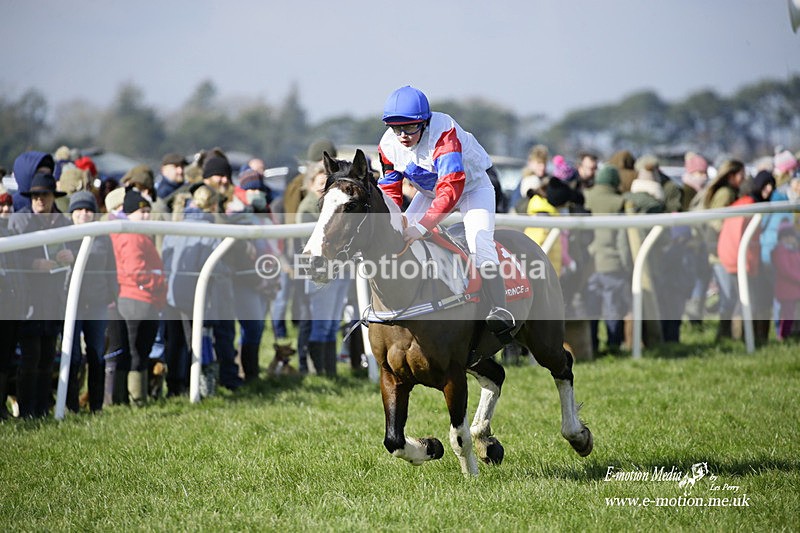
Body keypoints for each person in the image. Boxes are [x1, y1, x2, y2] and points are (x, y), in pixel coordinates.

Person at [377, 85, 515, 339]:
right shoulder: (387, 146)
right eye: (397, 128)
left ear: (425, 123)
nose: (403, 135)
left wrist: (420, 227)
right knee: (401, 237)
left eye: (410, 127)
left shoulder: (444, 133)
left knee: (480, 243)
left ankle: (500, 312)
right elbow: (390, 193)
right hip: (430, 193)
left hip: (472, 189)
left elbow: (452, 188)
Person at [9, 172, 74, 417]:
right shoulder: (20, 220)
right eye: (35, 195)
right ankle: (26, 410)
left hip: (54, 299)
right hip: (28, 299)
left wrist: (72, 256)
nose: (39, 200)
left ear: (52, 197)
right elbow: (12, 255)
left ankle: (43, 408)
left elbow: (76, 248)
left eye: (44, 195)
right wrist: (33, 264)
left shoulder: (63, 222)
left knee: (48, 358)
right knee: (30, 358)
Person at [110, 188, 167, 406]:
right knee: (137, 352)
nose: (146, 216)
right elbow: (137, 271)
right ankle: (136, 399)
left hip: (140, 298)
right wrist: (158, 284)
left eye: (147, 212)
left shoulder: (137, 235)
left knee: (138, 351)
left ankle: (132, 398)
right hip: (137, 298)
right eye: (141, 212)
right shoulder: (133, 237)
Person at [65, 191, 117, 413]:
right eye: (79, 210)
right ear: (72, 214)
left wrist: (112, 296)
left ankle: (96, 405)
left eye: (88, 210)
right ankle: (70, 404)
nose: (84, 215)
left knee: (96, 353)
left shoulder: (103, 237)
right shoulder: (63, 237)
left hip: (97, 302)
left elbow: (111, 270)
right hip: (71, 303)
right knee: (73, 354)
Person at [297, 162, 351, 375]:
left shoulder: (329, 203)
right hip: (319, 270)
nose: (323, 187)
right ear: (310, 185)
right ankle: (318, 371)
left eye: (326, 184)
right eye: (320, 183)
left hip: (337, 268)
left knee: (331, 324)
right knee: (322, 324)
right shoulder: (309, 208)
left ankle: (330, 370)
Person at [716, 170, 776, 343]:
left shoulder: (742, 203)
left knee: (741, 301)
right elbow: (741, 239)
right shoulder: (750, 206)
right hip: (739, 260)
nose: (769, 190)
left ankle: (741, 338)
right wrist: (750, 265)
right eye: (765, 185)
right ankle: (745, 339)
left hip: (733, 258)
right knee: (747, 301)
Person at [583, 166, 631, 354]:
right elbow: (622, 241)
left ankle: (592, 346)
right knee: (612, 309)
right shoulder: (619, 202)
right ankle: (613, 347)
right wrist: (628, 266)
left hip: (589, 264)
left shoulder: (587, 197)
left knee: (592, 309)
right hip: (612, 265)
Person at [772, 223, 800, 341]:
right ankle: (783, 336)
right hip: (786, 291)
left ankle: (793, 335)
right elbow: (786, 270)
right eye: (787, 236)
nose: (790, 239)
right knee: (787, 315)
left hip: (796, 290)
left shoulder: (795, 250)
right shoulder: (780, 251)